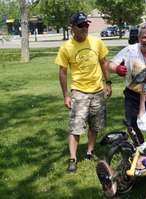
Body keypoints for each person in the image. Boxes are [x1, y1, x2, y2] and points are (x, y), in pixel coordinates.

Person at [55, 12, 111, 173]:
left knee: (95, 125)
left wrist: (108, 82)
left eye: (86, 24)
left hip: (98, 90)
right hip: (79, 91)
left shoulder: (96, 42)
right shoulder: (66, 47)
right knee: (76, 127)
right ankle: (73, 159)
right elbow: (63, 72)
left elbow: (104, 62)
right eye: (81, 25)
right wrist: (66, 94)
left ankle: (89, 152)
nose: (85, 28)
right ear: (72, 28)